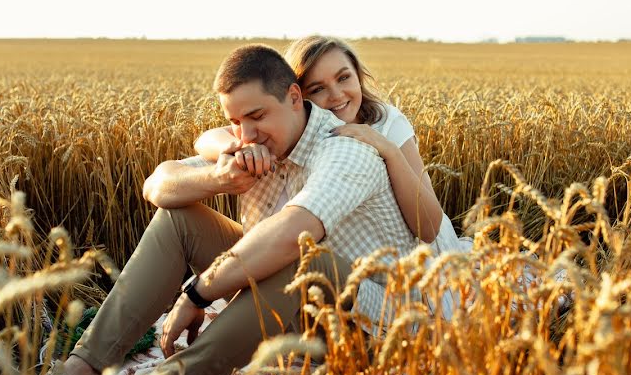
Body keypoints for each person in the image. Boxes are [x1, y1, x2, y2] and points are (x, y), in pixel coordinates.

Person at [24, 43, 421, 375]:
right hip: (287, 303)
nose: (245, 134)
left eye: (256, 117)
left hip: (375, 323)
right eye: (235, 121)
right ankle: (84, 370)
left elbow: (290, 236)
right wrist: (218, 177)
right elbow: (157, 184)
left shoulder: (346, 150)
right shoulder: (257, 146)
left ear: (293, 98)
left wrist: (197, 294)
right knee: (180, 219)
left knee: (302, 255)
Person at [194, 36, 470, 320]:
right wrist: (239, 148)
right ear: (297, 99)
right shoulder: (282, 131)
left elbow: (428, 227)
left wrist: (387, 150)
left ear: (358, 76)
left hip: (411, 266)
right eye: (318, 88)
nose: (336, 94)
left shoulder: (385, 122)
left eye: (343, 78)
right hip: (335, 270)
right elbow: (207, 139)